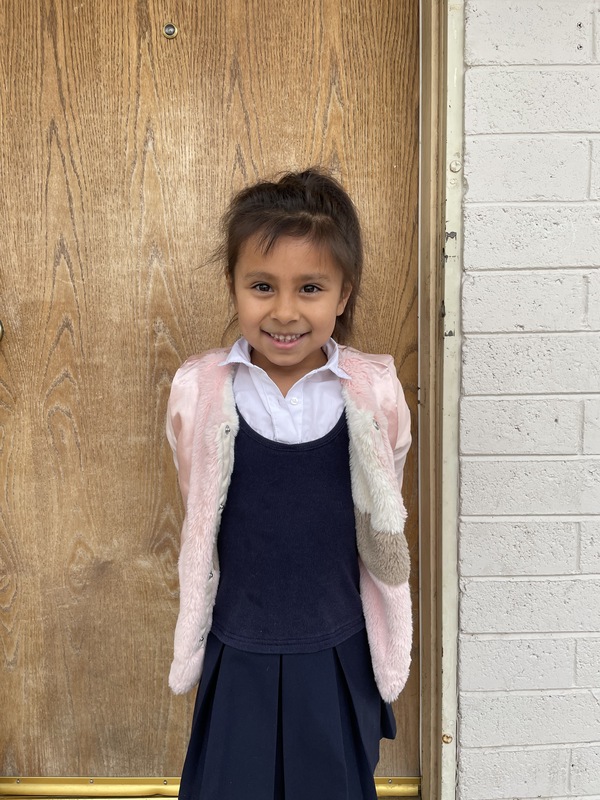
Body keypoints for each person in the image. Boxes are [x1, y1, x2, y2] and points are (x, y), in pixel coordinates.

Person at [166, 168, 412, 800]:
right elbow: (200, 501)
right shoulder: (203, 390)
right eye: (261, 286)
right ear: (234, 287)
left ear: (344, 293)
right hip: (238, 640)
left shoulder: (373, 392)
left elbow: (382, 502)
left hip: (338, 644)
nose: (283, 311)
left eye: (309, 288)